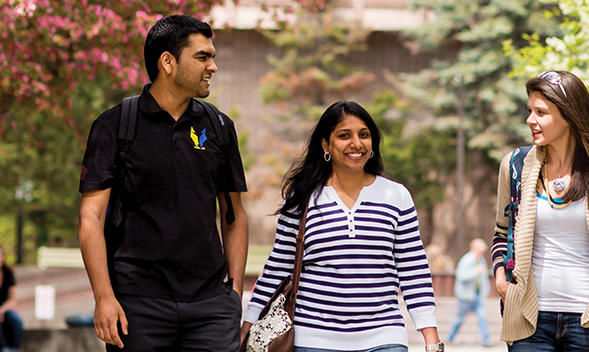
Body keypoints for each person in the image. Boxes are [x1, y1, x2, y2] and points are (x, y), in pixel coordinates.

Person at [77, 14, 248, 351]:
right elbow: (90, 218)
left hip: (211, 307)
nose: (212, 66)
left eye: (212, 57)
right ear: (167, 62)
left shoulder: (219, 127)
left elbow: (234, 214)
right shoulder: (114, 126)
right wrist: (104, 297)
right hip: (137, 305)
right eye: (202, 57)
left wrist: (234, 293)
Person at [242, 101, 444, 352]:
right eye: (344, 135)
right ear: (326, 144)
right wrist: (247, 326)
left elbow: (413, 270)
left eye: (364, 135)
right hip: (313, 340)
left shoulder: (396, 196)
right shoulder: (303, 197)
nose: (356, 143)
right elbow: (278, 267)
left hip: (385, 338)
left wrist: (432, 341)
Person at [490, 70, 589, 352]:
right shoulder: (514, 166)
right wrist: (500, 274)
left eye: (541, 112)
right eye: (529, 111)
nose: (530, 120)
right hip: (529, 320)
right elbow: (502, 233)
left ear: (569, 115)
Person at [447, 239, 492, 346]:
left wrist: (486, 290)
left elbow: (483, 278)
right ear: (474, 249)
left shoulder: (481, 260)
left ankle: (486, 341)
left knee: (483, 317)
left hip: (477, 294)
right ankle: (450, 338)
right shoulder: (466, 260)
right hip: (465, 296)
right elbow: (462, 276)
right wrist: (475, 271)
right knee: (459, 318)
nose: (482, 253)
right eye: (480, 250)